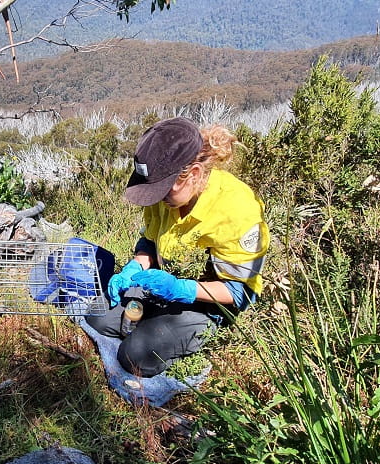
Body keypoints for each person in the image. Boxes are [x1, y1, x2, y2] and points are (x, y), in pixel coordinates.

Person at [85, 116, 269, 377]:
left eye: (163, 191)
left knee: (135, 356)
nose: (157, 198)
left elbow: (239, 292)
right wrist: (133, 267)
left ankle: (173, 331)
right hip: (160, 283)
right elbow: (149, 241)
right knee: (98, 315)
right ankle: (153, 321)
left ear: (193, 174)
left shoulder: (236, 209)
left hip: (206, 301)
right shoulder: (164, 196)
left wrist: (180, 289)